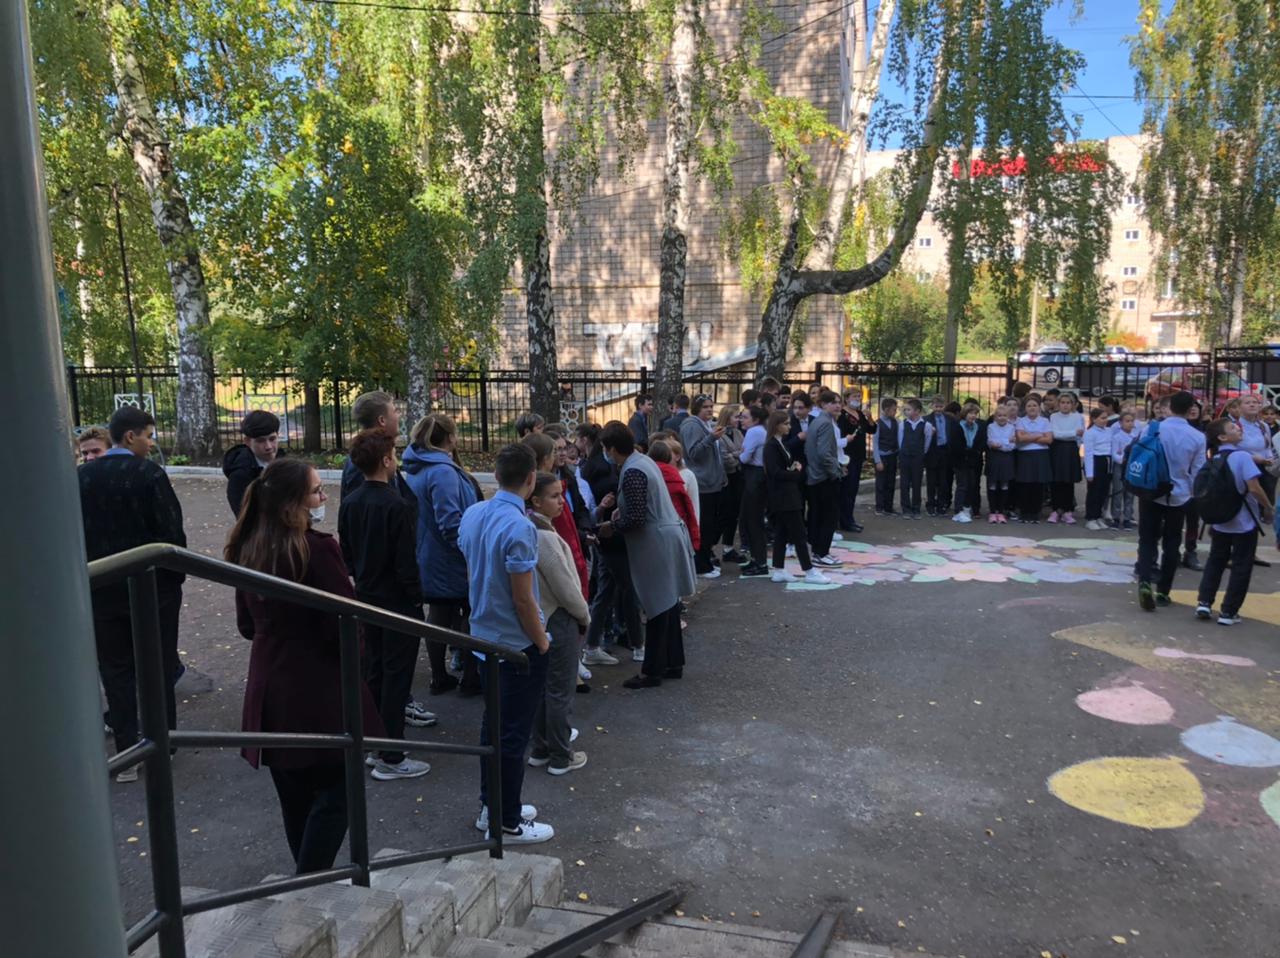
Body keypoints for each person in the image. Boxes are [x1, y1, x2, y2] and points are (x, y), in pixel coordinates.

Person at [227, 458, 383, 872]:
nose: (323, 497)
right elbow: (344, 624)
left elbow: (246, 625)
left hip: (270, 689)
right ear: (290, 504)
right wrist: (358, 660)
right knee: (339, 792)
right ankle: (308, 880)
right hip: (319, 691)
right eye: (316, 491)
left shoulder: (249, 549)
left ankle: (306, 880)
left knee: (295, 798)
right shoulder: (316, 550)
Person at [80, 406, 186, 783]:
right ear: (130, 436)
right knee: (157, 665)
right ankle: (163, 741)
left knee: (116, 669)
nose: (150, 443)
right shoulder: (149, 474)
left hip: (101, 590)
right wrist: (174, 581)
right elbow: (171, 533)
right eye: (148, 435)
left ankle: (127, 750)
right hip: (151, 590)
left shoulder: (82, 477)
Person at [458, 444, 554, 843]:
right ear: (531, 479)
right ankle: (507, 820)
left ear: (496, 475)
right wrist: (542, 642)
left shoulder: (474, 513)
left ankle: (493, 806)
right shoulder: (520, 526)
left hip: (484, 637)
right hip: (515, 645)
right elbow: (523, 599)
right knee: (512, 735)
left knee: (493, 728)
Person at [338, 429, 433, 781]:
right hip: (397, 602)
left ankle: (375, 743)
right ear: (386, 460)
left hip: (367, 596)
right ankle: (391, 754)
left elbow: (346, 551)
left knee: (375, 670)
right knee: (397, 676)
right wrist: (416, 595)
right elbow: (405, 560)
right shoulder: (396, 505)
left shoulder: (351, 502)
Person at [597, 422, 696, 689]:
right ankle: (672, 662)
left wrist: (611, 526)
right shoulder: (643, 461)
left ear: (612, 448)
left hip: (654, 543)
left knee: (656, 606)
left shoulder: (633, 471)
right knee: (668, 604)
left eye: (605, 448)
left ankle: (652, 670)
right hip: (666, 535)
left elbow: (636, 519)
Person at [401, 414, 483, 697]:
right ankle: (470, 678)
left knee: (439, 612)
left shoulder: (419, 467)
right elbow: (450, 522)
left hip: (430, 554)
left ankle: (440, 675)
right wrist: (471, 550)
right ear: (450, 438)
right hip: (451, 557)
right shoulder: (442, 471)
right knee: (469, 612)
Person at [525, 473, 591, 775]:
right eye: (554, 496)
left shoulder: (528, 529)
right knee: (560, 690)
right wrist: (584, 615)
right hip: (558, 617)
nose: (561, 501)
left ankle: (540, 748)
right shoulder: (547, 539)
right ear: (537, 501)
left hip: (539, 618)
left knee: (542, 688)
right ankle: (561, 755)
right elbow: (566, 588)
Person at [1195, 418, 1275, 625]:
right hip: (1243, 520)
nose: (1238, 428)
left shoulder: (1214, 457)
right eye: (1232, 428)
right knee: (1241, 566)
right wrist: (1268, 506)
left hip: (1219, 520)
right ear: (1223, 437)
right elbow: (1254, 487)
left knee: (1216, 561)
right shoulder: (1242, 457)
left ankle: (1204, 602)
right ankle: (1228, 612)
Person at [1136, 391, 1207, 612]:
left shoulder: (1153, 428)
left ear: (1170, 407)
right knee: (1172, 542)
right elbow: (1198, 470)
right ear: (1190, 409)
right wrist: (1193, 493)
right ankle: (1163, 591)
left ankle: (1145, 579)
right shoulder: (1197, 436)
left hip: (1151, 489)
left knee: (1147, 538)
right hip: (1179, 493)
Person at [763, 410, 830, 585]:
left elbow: (782, 467)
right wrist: (795, 473)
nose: (789, 426)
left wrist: (793, 467)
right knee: (799, 534)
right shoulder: (771, 445)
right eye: (785, 424)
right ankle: (809, 571)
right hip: (783, 496)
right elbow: (775, 472)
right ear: (776, 425)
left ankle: (779, 569)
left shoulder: (780, 443)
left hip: (788, 493)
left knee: (782, 533)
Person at [679, 396, 727, 578]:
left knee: (711, 525)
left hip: (713, 482)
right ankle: (701, 565)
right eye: (705, 407)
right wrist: (711, 438)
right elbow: (694, 453)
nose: (709, 410)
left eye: (711, 406)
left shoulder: (706, 425)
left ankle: (706, 561)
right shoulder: (692, 425)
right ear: (696, 408)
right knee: (704, 526)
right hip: (702, 483)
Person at [1232, 394, 1275, 569]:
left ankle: (1250, 552)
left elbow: (1268, 447)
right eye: (1247, 403)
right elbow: (1231, 450)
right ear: (1239, 407)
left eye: (1255, 402)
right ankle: (1233, 552)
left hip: (1262, 470)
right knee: (1241, 510)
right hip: (1242, 471)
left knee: (1256, 511)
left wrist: (1269, 458)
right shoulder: (1235, 427)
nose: (1252, 405)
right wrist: (1253, 458)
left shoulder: (1263, 426)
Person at [804, 390, 844, 565]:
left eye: (839, 402)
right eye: (832, 402)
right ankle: (821, 552)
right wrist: (835, 471)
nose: (837, 406)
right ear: (823, 404)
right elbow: (824, 453)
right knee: (828, 516)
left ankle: (817, 551)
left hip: (815, 475)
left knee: (817, 514)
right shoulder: (825, 423)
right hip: (823, 477)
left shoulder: (817, 421)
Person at [342, 391, 406, 499]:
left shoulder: (379, 453)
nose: (399, 415)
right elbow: (364, 506)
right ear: (382, 420)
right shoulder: (364, 462)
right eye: (395, 411)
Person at [223, 409, 284, 516]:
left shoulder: (285, 464)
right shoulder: (240, 476)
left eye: (272, 439)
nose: (268, 447)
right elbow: (244, 516)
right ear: (247, 441)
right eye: (261, 441)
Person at [649, 440, 702, 553]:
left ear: (677, 456)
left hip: (677, 526)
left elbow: (693, 506)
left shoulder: (688, 475)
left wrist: (695, 530)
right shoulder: (656, 474)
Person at [736, 405, 770, 576]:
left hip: (755, 476)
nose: (741, 420)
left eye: (745, 417)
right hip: (757, 477)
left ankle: (760, 562)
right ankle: (757, 559)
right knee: (752, 519)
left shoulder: (754, 432)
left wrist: (738, 454)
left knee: (753, 521)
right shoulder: (761, 430)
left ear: (755, 419)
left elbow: (745, 457)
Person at [716, 404, 747, 563]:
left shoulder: (738, 433)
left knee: (734, 514)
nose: (739, 419)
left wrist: (735, 455)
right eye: (736, 416)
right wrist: (738, 455)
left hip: (737, 478)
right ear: (727, 418)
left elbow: (745, 452)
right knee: (724, 514)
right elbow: (725, 460)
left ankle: (728, 547)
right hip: (726, 479)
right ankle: (713, 547)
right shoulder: (719, 435)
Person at [835, 390, 870, 533]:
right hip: (847, 456)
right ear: (847, 398)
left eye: (859, 396)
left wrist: (870, 418)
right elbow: (841, 435)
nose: (858, 398)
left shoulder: (860, 414)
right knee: (847, 490)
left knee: (853, 489)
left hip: (858, 455)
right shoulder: (842, 415)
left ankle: (849, 518)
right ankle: (844, 521)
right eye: (854, 396)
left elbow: (871, 429)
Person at [1014, 397, 1053, 522]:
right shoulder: (1020, 421)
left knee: (1038, 484)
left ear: (1039, 407)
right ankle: (1024, 512)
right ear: (1025, 408)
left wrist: (1029, 436)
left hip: (1041, 455)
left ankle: (1035, 512)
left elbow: (1049, 439)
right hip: (1025, 455)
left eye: (1034, 405)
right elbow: (1020, 438)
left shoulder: (1045, 421)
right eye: (1029, 406)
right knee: (1025, 484)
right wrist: (1038, 435)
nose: (1032, 408)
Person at [1048, 392, 1084, 524]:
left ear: (1073, 404)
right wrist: (1072, 433)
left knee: (1068, 481)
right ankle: (1056, 510)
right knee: (1056, 481)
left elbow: (1080, 434)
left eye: (1068, 403)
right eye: (1062, 402)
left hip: (1071, 450)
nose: (1065, 405)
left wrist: (1071, 434)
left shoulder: (1078, 417)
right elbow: (1055, 434)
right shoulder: (1053, 417)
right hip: (1057, 449)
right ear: (1058, 404)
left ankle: (1068, 510)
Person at [897, 398, 934, 519]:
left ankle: (916, 508)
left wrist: (921, 452)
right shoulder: (903, 424)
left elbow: (927, 441)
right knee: (904, 483)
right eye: (905, 409)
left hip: (918, 458)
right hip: (905, 456)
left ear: (917, 411)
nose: (906, 412)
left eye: (909, 409)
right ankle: (906, 508)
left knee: (917, 483)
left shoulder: (926, 425)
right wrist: (903, 451)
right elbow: (900, 440)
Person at [951, 403, 985, 523]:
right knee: (962, 485)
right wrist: (966, 452)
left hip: (973, 461)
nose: (973, 416)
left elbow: (980, 443)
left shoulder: (978, 427)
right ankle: (958, 511)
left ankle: (966, 508)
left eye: (975, 413)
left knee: (972, 485)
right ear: (965, 414)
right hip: (960, 460)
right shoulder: (958, 427)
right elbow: (955, 445)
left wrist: (975, 452)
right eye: (970, 413)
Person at [925, 396, 958, 517]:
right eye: (936, 406)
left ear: (944, 406)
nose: (938, 409)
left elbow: (953, 434)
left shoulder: (950, 419)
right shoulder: (926, 419)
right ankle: (930, 505)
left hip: (945, 452)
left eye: (940, 406)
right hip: (932, 451)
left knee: (943, 481)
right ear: (932, 406)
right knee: (931, 481)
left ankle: (941, 505)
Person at [1082, 408, 1113, 530]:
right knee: (1094, 491)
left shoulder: (1109, 431)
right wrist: (1090, 473)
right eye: (1102, 418)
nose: (1105, 420)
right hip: (1096, 461)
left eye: (1106, 418)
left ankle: (1098, 516)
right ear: (1094, 419)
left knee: (1103, 491)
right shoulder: (1090, 433)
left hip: (1107, 461)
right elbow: (1088, 453)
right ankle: (1091, 518)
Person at [984, 405, 1015, 523]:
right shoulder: (991, 427)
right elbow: (991, 442)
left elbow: (1012, 446)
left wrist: (1000, 443)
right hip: (994, 458)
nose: (1002, 418)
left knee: (1004, 485)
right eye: (999, 415)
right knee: (992, 484)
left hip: (1006, 459)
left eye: (1005, 415)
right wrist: (1006, 441)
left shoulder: (1011, 428)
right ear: (995, 417)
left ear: (1008, 417)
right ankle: (992, 511)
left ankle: (1001, 512)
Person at [1110, 410, 1140, 530]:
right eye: (1127, 421)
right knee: (1118, 491)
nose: (1130, 423)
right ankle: (1116, 517)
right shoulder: (1117, 437)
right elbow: (1114, 453)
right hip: (1120, 466)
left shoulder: (1136, 437)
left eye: (1131, 421)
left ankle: (1128, 518)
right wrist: (1122, 459)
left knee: (1130, 493)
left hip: (1131, 467)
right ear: (1121, 423)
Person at [871, 397, 899, 516]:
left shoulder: (895, 422)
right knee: (881, 483)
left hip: (892, 455)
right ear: (886, 409)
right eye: (894, 409)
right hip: (882, 456)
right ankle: (880, 507)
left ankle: (889, 507)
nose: (895, 412)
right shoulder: (878, 424)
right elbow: (875, 443)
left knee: (891, 482)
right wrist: (878, 461)